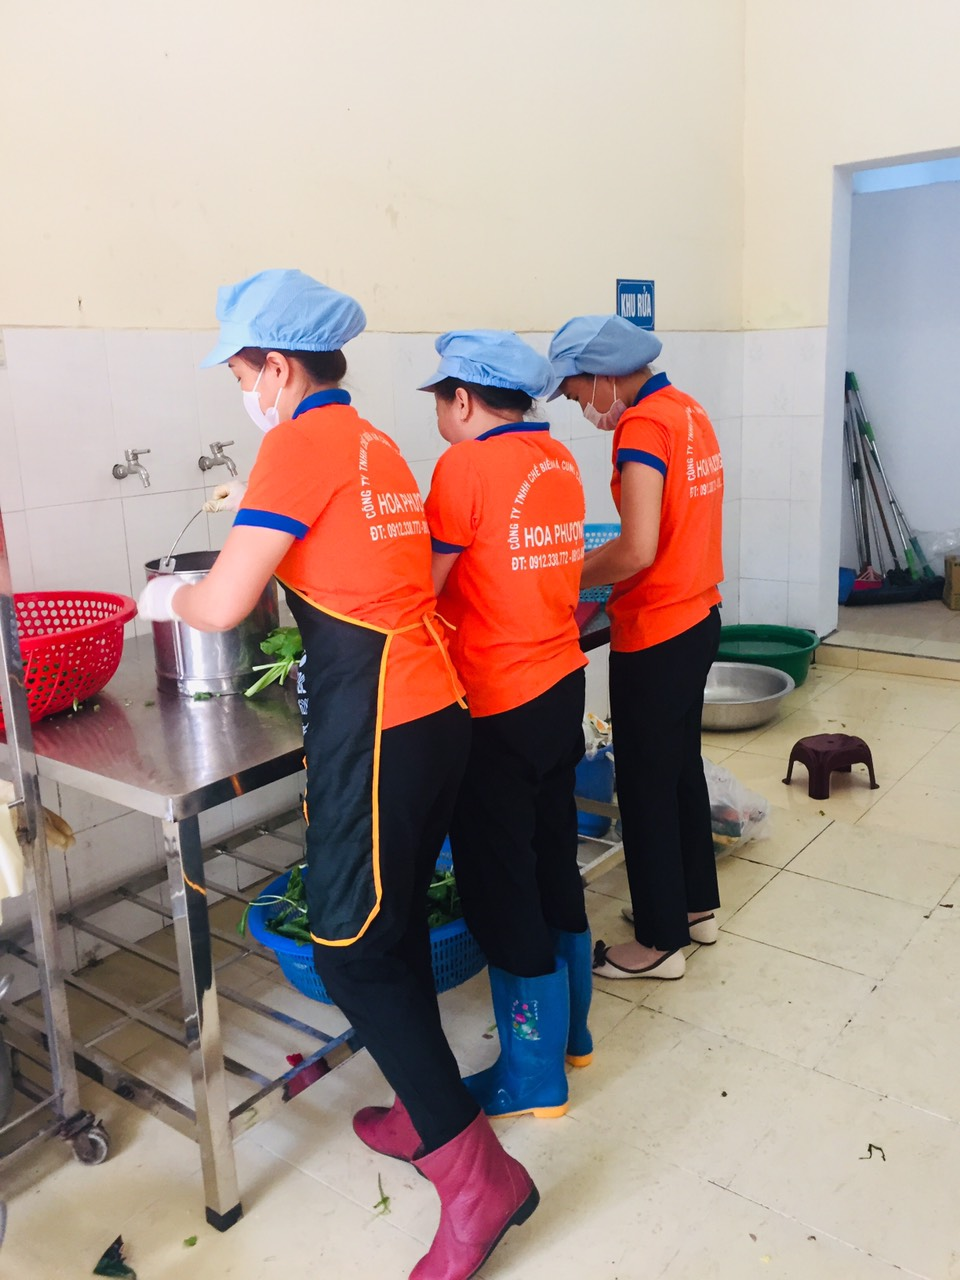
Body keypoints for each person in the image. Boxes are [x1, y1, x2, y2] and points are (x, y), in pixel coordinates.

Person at [138, 270, 538, 1280]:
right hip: (436, 709)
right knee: (388, 929)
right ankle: (422, 1106)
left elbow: (225, 603)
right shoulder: (373, 441)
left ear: (278, 366)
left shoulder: (297, 444)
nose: (244, 391)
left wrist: (163, 599)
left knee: (350, 948)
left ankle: (477, 1180)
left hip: (385, 725)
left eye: (242, 374)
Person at [420, 330, 593, 1120]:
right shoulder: (557, 459)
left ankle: (532, 1078)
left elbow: (424, 586)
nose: (440, 418)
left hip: (497, 702)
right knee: (554, 859)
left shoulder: (464, 466)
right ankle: (573, 1037)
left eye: (440, 401)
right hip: (560, 687)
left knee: (501, 887)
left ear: (462, 399)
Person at [547, 315, 724, 981]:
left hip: (658, 630)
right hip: (700, 614)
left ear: (603, 376)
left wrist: (561, 577)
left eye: (576, 394)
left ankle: (657, 942)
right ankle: (695, 909)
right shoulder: (687, 410)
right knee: (680, 769)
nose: (581, 408)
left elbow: (637, 548)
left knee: (646, 784)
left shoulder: (643, 426)